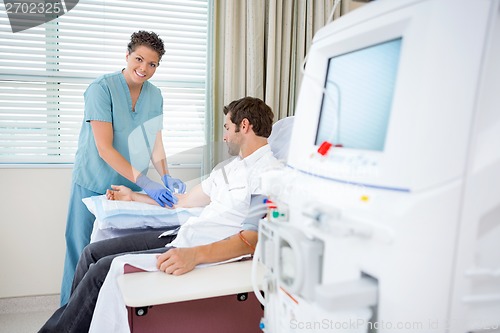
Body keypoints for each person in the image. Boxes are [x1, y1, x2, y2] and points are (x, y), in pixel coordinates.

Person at [39, 96, 281, 333]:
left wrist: (195, 255)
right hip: (184, 233)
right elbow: (183, 201)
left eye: (228, 128)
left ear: (245, 126)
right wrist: (133, 196)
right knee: (90, 253)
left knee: (100, 271)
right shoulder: (229, 169)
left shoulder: (269, 174)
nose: (225, 136)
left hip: (198, 247)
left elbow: (252, 239)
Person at [60, 30, 186, 306]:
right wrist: (148, 184)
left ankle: (103, 312)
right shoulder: (101, 88)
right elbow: (104, 148)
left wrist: (165, 175)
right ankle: (68, 312)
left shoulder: (155, 96)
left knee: (113, 253)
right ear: (127, 55)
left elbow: (156, 144)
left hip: (127, 186)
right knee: (80, 249)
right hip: (92, 179)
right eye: (139, 59)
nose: (144, 68)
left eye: (152, 64)